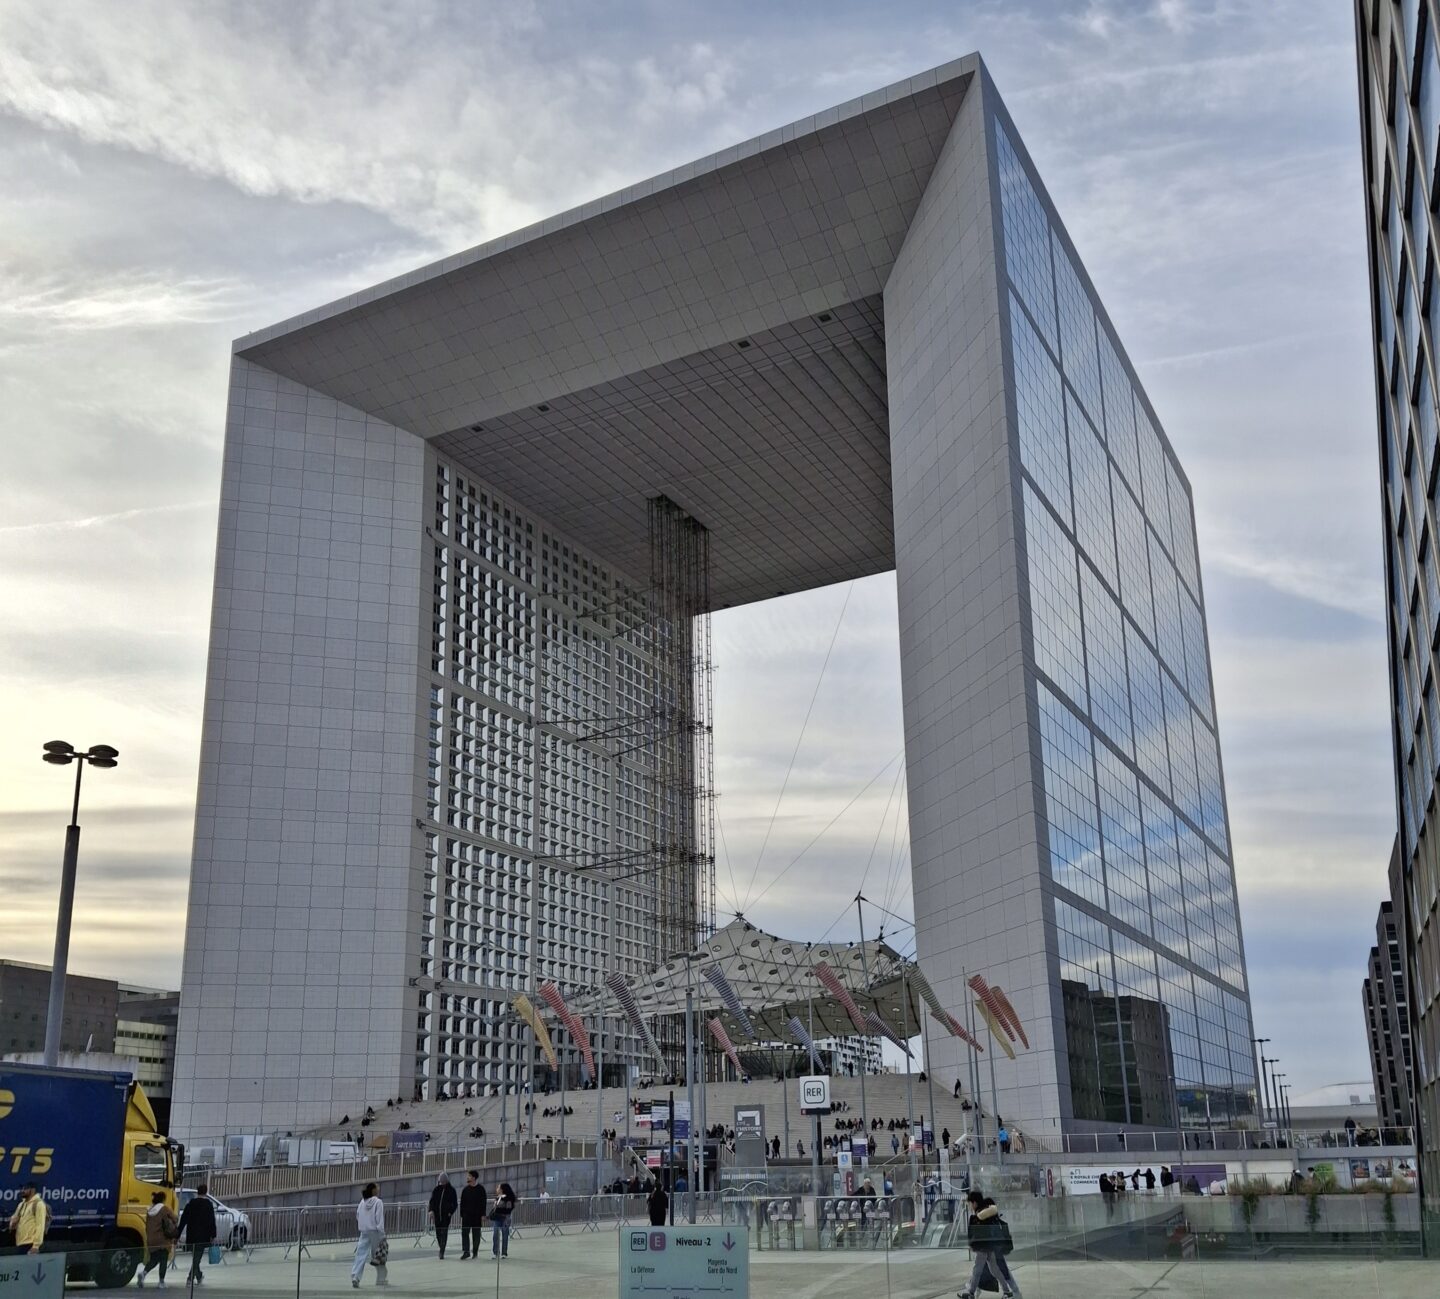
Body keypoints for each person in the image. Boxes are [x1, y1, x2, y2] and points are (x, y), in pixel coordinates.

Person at [958, 1190, 1020, 1299]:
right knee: (995, 1269)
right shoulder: (986, 1211)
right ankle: (1007, 1291)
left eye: (970, 1203)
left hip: (984, 1247)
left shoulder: (981, 1214)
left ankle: (971, 1292)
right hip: (991, 1246)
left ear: (974, 1203)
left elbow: (980, 1232)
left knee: (978, 1270)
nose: (970, 1206)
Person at [177, 1183, 217, 1285]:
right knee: (197, 1258)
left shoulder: (190, 1204)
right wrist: (213, 1235)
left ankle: (199, 1276)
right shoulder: (208, 1205)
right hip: (203, 1235)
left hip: (192, 1234)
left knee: (196, 1257)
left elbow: (183, 1220)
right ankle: (190, 1278)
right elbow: (211, 1221)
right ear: (206, 1192)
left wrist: (178, 1233)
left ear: (197, 1192)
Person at [137, 1191, 178, 1288]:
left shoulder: (150, 1210)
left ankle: (143, 1273)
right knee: (163, 1259)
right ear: (163, 1199)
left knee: (154, 1260)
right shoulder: (164, 1209)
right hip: (162, 1239)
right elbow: (175, 1219)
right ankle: (161, 1282)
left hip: (151, 1239)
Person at [352, 1183, 388, 1288]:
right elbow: (379, 1219)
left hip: (364, 1231)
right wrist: (382, 1234)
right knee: (378, 1255)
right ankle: (381, 1278)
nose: (379, 1189)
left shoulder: (362, 1202)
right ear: (373, 1190)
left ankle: (356, 1276)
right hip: (375, 1232)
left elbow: (358, 1215)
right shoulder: (378, 1202)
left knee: (360, 1255)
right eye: (377, 1187)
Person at [5, 1184, 48, 1256]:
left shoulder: (39, 1204)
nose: (22, 1191)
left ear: (33, 1190)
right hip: (20, 1243)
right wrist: (12, 1223)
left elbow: (40, 1225)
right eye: (22, 1189)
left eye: (25, 1189)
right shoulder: (21, 1204)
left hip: (31, 1245)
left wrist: (36, 1246)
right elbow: (13, 1222)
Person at [458, 1171, 487, 1260]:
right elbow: (462, 1203)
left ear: (474, 1178)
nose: (468, 1177)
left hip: (477, 1216)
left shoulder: (481, 1189)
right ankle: (466, 1251)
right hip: (466, 1216)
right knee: (464, 1233)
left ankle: (475, 1251)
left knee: (476, 1234)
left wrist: (483, 1214)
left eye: (469, 1176)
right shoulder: (465, 1190)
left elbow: (483, 1203)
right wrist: (462, 1214)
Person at [428, 1172, 458, 1258]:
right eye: (441, 1182)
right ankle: (441, 1246)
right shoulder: (436, 1189)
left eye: (443, 1182)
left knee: (444, 1232)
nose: (442, 1184)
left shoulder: (452, 1190)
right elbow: (432, 1201)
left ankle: (442, 1251)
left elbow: (455, 1204)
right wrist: (431, 1210)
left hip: (446, 1216)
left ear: (446, 1181)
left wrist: (450, 1212)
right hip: (437, 1215)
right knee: (438, 1233)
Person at [490, 1182, 517, 1259]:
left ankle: (504, 1253)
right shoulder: (497, 1198)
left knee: (505, 1235)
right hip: (497, 1218)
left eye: (498, 1187)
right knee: (495, 1234)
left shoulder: (509, 1198)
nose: (497, 1189)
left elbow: (509, 1209)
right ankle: (495, 1252)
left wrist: (500, 1208)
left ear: (502, 1189)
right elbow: (495, 1208)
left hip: (505, 1218)